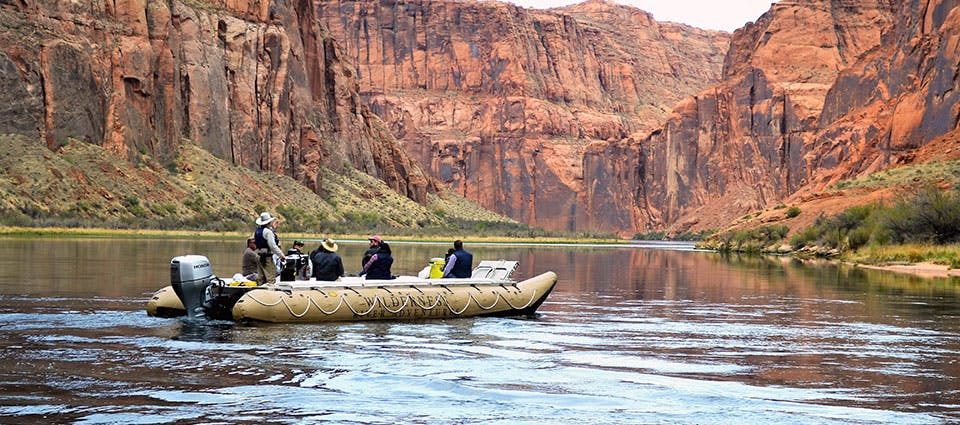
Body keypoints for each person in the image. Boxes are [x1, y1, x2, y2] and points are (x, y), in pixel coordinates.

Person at [253, 211, 284, 285]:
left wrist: (273, 228)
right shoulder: (268, 232)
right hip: (267, 258)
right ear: (268, 222)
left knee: (261, 278)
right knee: (270, 279)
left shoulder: (257, 231)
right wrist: (281, 255)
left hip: (259, 256)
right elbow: (273, 246)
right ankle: (270, 294)